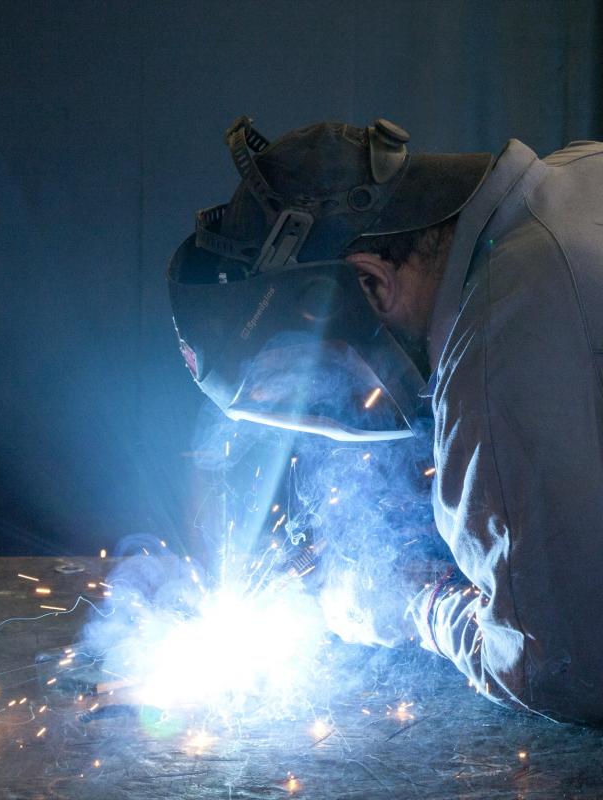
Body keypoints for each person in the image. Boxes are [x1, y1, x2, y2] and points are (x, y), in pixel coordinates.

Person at [166, 115, 603, 723]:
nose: (340, 404)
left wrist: (416, 604)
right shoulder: (579, 173)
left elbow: (568, 671)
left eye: (322, 382)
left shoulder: (495, 345)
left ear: (369, 285)